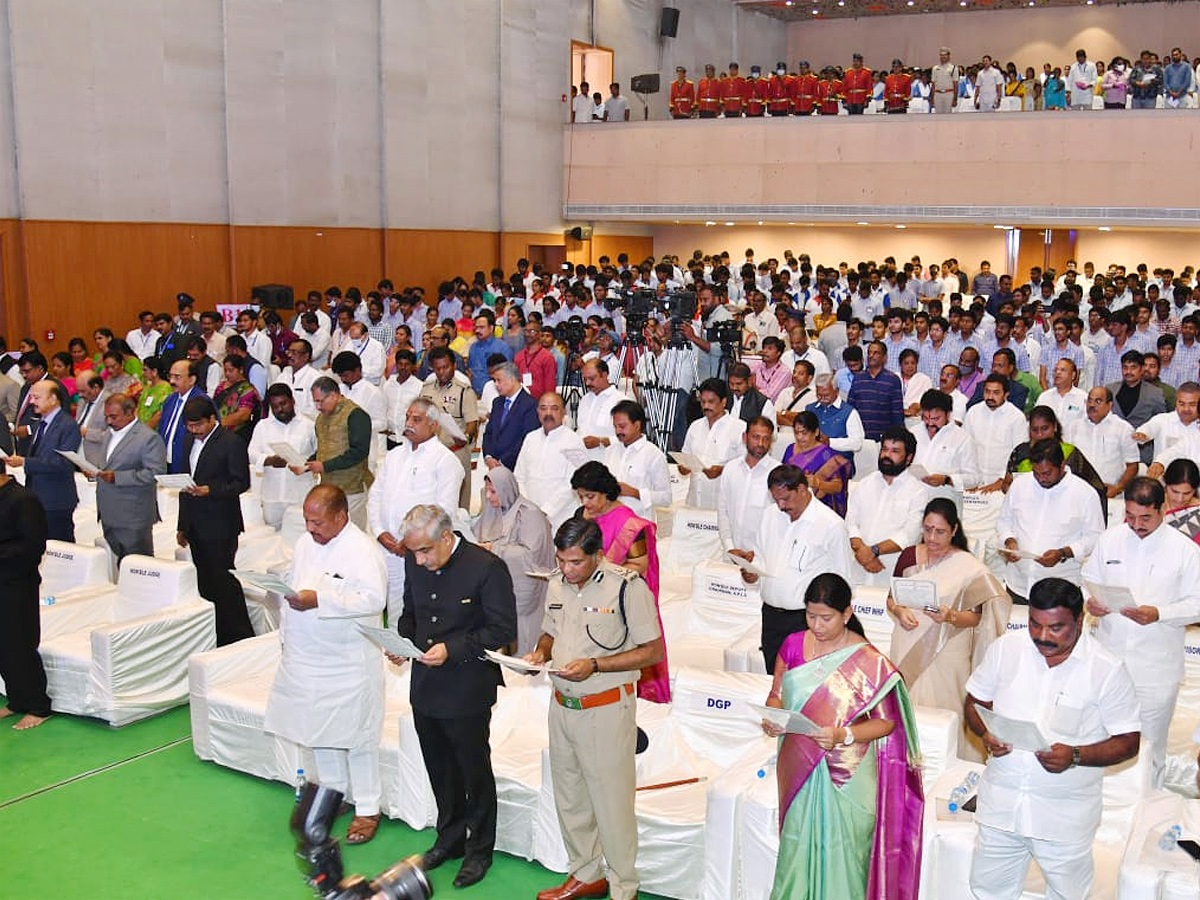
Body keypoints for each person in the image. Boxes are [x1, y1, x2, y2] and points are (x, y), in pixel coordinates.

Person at [964, 577, 1141, 900]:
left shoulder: (1106, 669)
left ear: (1080, 620)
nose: (1043, 636)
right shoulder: (1007, 648)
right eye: (1035, 624)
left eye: (1056, 627)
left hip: (1063, 817)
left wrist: (1075, 755)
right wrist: (985, 733)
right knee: (988, 892)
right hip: (1001, 806)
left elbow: (1129, 741)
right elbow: (975, 702)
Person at [760, 573, 923, 900]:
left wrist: (842, 734)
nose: (817, 625)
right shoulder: (793, 644)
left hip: (847, 774)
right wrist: (773, 717)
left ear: (847, 614)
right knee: (795, 853)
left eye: (826, 618)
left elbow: (887, 724)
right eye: (810, 615)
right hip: (798, 768)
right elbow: (776, 694)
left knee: (846, 858)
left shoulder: (870, 662)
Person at [525, 518, 663, 900]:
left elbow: (652, 651)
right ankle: (586, 874)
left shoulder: (627, 589)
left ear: (598, 556)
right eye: (561, 561)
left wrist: (597, 665)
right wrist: (541, 651)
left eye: (575, 562)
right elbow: (551, 629)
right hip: (562, 706)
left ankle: (624, 887)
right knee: (570, 797)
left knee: (611, 803)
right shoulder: (556, 583)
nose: (566, 570)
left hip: (605, 709)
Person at [398, 504, 517, 889]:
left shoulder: (485, 567)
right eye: (414, 552)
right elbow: (410, 612)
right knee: (439, 766)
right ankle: (449, 838)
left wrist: (454, 648)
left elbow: (502, 629)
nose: (419, 560)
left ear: (447, 537)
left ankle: (479, 849)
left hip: (467, 686)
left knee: (473, 771)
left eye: (426, 551)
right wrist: (402, 641)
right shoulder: (415, 560)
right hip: (425, 685)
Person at [263, 485, 388, 845]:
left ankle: (367, 807)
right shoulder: (306, 543)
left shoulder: (362, 551)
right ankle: (335, 795)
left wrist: (321, 600)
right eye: (307, 521)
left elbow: (373, 599)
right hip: (307, 658)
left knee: (359, 736)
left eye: (317, 522)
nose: (311, 528)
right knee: (320, 731)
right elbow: (295, 580)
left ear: (341, 517)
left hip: (347, 663)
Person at [1081, 476, 1200, 784]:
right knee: (1103, 736)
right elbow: (1088, 579)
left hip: (1156, 668)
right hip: (1110, 658)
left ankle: (1150, 808)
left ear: (1163, 509)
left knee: (1150, 746)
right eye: (1130, 516)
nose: (1137, 524)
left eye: (1145, 517)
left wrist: (1159, 614)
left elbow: (1197, 604)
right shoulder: (1111, 539)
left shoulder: (1184, 550)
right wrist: (1090, 602)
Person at [886, 498, 1009, 757]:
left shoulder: (968, 567)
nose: (932, 537)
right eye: (927, 529)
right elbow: (891, 598)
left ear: (954, 530)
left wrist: (950, 616)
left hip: (948, 648)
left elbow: (975, 617)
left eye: (940, 531)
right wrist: (899, 610)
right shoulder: (910, 556)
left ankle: (951, 762)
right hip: (907, 640)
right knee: (907, 707)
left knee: (946, 706)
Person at [731, 464, 852, 673]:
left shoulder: (830, 524)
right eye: (776, 499)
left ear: (803, 490)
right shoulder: (769, 515)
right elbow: (760, 557)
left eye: (785, 498)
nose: (780, 505)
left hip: (807, 622)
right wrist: (751, 573)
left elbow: (843, 582)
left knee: (804, 682)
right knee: (774, 678)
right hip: (771, 617)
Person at [569, 461, 669, 703]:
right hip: (584, 596)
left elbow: (638, 566)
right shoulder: (583, 516)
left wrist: (599, 574)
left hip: (617, 601)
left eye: (590, 496)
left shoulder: (630, 524)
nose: (585, 503)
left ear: (607, 491)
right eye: (581, 497)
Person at [367, 398, 464, 625]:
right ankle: (393, 656)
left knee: (415, 612)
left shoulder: (445, 460)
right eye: (408, 417)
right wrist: (380, 532)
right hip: (387, 547)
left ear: (434, 425)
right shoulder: (394, 456)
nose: (409, 423)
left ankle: (410, 658)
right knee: (389, 609)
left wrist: (409, 543)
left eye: (417, 419)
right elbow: (375, 496)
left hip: (421, 553)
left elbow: (445, 513)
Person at [176, 396, 255, 646]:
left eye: (198, 425)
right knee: (205, 581)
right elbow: (184, 482)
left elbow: (241, 482)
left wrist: (210, 490)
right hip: (195, 522)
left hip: (221, 522)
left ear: (213, 419)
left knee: (223, 580)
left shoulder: (231, 442)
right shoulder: (189, 440)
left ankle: (240, 635)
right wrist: (182, 525)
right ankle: (217, 633)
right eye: (189, 426)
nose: (193, 430)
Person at [476, 466, 553, 654]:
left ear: (506, 489)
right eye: (487, 491)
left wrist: (494, 549)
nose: (488, 496)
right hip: (496, 582)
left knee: (522, 638)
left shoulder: (529, 513)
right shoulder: (493, 510)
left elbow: (531, 555)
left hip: (524, 584)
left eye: (493, 492)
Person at [0, 459, 52, 729]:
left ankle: (39, 705)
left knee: (20, 644)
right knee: (2, 647)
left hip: (17, 583)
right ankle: (17, 700)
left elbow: (33, 546)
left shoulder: (24, 500)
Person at [846, 428, 929, 587]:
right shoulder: (864, 484)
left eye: (895, 451)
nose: (886, 455)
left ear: (908, 458)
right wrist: (863, 552)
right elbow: (850, 522)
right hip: (857, 565)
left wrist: (873, 551)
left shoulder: (918, 492)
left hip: (892, 570)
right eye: (884, 449)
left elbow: (909, 535)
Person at [93, 393, 167, 564]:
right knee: (123, 564)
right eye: (107, 417)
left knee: (139, 567)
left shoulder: (148, 438)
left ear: (130, 413)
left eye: (114, 417)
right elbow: (107, 467)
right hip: (109, 513)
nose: (109, 421)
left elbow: (156, 473)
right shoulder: (109, 434)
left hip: (133, 516)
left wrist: (117, 477)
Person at [6, 379, 82, 542]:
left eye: (37, 397)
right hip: (37, 495)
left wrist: (25, 462)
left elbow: (63, 463)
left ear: (53, 399)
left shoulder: (67, 425)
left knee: (60, 547)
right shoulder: (41, 423)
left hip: (56, 499)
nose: (32, 401)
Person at [303, 377, 373, 530]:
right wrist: (308, 463)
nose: (318, 407)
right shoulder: (321, 419)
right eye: (315, 402)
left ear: (334, 395)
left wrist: (325, 466)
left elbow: (359, 452)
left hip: (352, 488)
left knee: (353, 536)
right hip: (328, 489)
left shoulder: (356, 415)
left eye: (320, 401)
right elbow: (324, 448)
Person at [246, 384, 317, 529]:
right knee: (271, 540)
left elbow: (320, 454)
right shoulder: (263, 426)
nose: (280, 409)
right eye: (275, 406)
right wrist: (269, 460)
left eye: (283, 404)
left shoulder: (309, 426)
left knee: (299, 538)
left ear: (292, 401)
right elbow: (251, 453)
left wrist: (307, 466)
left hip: (300, 494)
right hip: (272, 496)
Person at [420, 346, 479, 511]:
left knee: (458, 500)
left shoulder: (463, 391)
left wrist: (466, 437)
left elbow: (472, 423)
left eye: (445, 367)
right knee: (432, 498)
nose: (442, 372)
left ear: (454, 365)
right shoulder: (427, 389)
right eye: (437, 368)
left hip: (455, 450)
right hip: (431, 452)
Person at [679, 378, 745, 509]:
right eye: (703, 402)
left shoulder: (739, 428)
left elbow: (746, 466)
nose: (706, 406)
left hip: (723, 505)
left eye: (711, 402)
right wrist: (683, 467)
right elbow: (685, 456)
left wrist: (722, 470)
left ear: (724, 402)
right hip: (694, 502)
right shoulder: (695, 426)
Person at [718, 416, 780, 553]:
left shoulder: (778, 474)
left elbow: (779, 521)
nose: (761, 443)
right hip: (730, 554)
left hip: (762, 557)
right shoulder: (730, 469)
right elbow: (723, 512)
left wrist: (757, 553)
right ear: (745, 437)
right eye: (756, 437)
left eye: (766, 439)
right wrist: (730, 547)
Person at [603, 400, 671, 522]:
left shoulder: (654, 454)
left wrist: (635, 493)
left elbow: (666, 498)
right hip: (610, 522)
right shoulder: (610, 451)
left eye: (622, 426)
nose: (618, 431)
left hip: (639, 525)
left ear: (637, 425)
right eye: (615, 427)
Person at [781, 411, 852, 516]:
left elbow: (838, 487)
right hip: (790, 506)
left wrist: (818, 483)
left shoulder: (827, 455)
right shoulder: (790, 449)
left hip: (817, 510)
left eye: (804, 433)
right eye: (796, 432)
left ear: (816, 432)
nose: (800, 437)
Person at [481, 361, 538, 472]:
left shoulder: (530, 404)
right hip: (494, 467)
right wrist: (488, 457)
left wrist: (503, 462)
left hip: (516, 467)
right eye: (494, 381)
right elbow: (489, 433)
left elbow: (526, 440)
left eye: (499, 380)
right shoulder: (497, 403)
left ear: (512, 380)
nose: (496, 385)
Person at [575, 359, 628, 461]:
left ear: (604, 375)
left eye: (591, 379)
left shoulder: (621, 401)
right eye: (585, 379)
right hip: (582, 461)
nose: (587, 383)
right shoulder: (585, 399)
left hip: (608, 461)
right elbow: (581, 429)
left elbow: (630, 436)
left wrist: (601, 441)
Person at [158, 359, 204, 473]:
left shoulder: (201, 402)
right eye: (170, 376)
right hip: (165, 462)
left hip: (187, 463)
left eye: (177, 377)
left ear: (192, 379)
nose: (172, 381)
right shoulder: (170, 399)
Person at [212, 354, 260, 443]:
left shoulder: (247, 389)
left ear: (241, 370)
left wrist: (219, 424)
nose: (227, 374)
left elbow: (244, 415)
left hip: (238, 435)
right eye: (225, 370)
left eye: (231, 370)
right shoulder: (221, 387)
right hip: (217, 433)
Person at [1162, 457, 1200, 544]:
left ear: (1195, 490)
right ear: (1166, 484)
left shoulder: (1197, 510)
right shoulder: (1150, 504)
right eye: (1175, 491)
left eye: (1187, 493)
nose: (1180, 499)